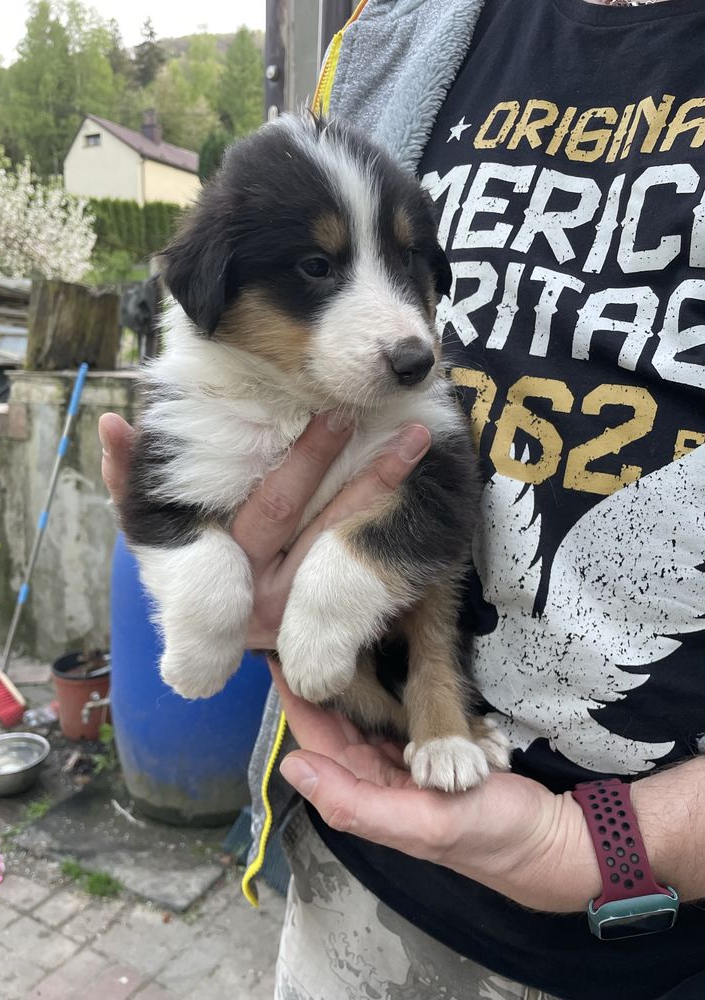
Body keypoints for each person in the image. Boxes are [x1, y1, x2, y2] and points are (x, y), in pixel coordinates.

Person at [100, 0, 705, 996]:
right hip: (365, 866)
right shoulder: (392, 46)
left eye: (409, 265)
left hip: (656, 941)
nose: (409, 322)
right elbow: (171, 517)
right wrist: (225, 597)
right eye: (317, 268)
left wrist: (602, 841)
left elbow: (428, 503)